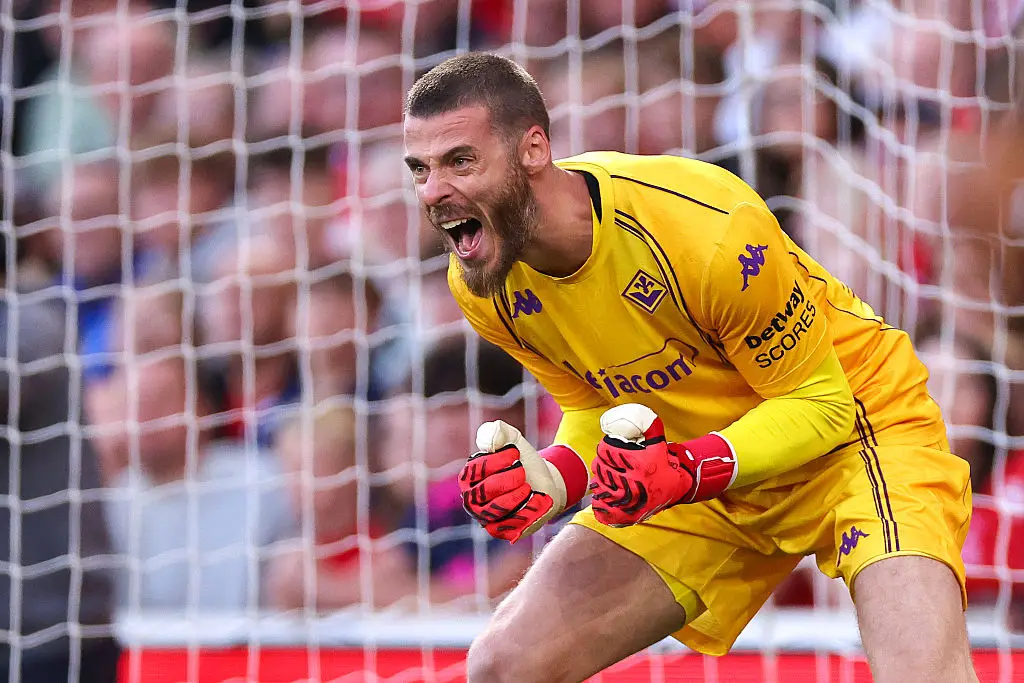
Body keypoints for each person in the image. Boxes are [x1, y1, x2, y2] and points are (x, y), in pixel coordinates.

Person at [401, 53, 976, 683]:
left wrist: (689, 467)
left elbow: (823, 405)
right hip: (696, 471)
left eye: (460, 161)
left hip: (857, 437)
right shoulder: (483, 281)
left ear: (534, 149)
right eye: (420, 170)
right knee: (502, 666)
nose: (433, 192)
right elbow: (595, 406)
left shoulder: (704, 230)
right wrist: (555, 478)